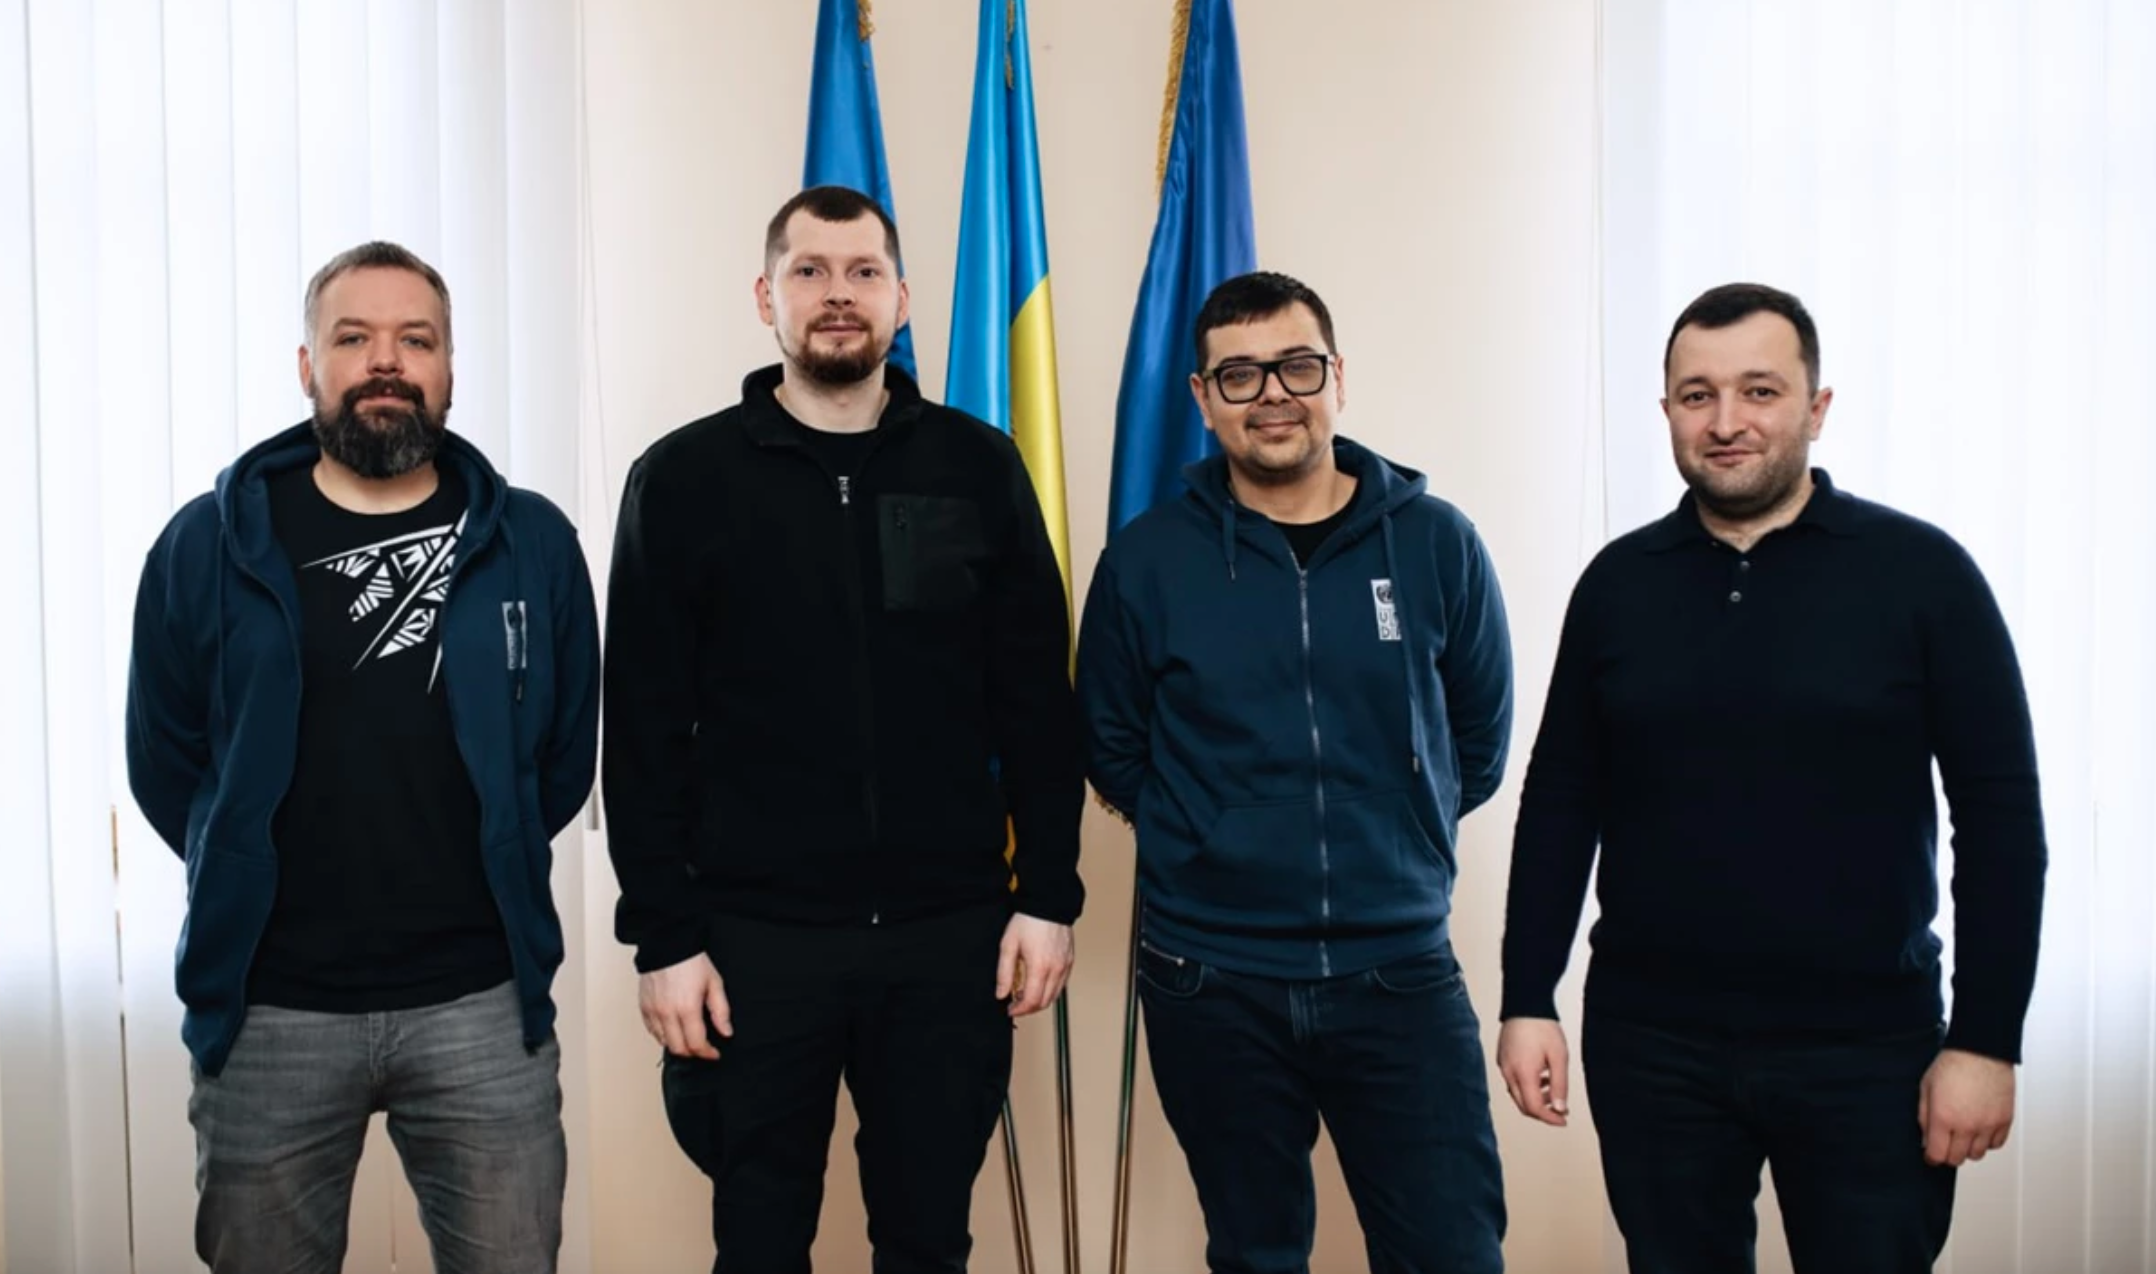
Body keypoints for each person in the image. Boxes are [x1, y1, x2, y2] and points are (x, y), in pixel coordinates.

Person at [1496, 282, 2047, 1274]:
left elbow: (2000, 818)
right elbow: (1561, 800)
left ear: (1815, 407)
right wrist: (1526, 994)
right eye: (1696, 394)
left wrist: (1985, 1039)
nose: (1725, 421)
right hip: (1652, 1044)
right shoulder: (1618, 584)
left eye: (1758, 390)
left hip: (1865, 1048)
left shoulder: (1922, 575)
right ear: (1667, 410)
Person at [602, 185, 1084, 1272]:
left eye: (863, 272)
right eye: (809, 271)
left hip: (946, 935)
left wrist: (1049, 893)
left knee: (928, 1241)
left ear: (901, 299)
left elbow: (1036, 704)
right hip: (751, 943)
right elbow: (638, 730)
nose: (837, 294)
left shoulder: (977, 465)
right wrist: (664, 936)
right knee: (758, 1244)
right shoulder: (681, 480)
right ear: (765, 296)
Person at [126, 240, 600, 1274]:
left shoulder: (530, 542)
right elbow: (166, 763)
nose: (386, 360)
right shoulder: (205, 545)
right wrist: (235, 854)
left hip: (482, 1000)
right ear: (309, 365)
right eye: (354, 337)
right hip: (271, 1005)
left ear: (449, 367)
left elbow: (562, 755)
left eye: (414, 339)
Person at [1077, 270, 1514, 1274]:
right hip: (1210, 977)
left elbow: (1477, 742)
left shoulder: (1436, 541)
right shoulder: (1146, 561)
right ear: (1202, 398)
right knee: (1256, 1254)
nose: (1271, 393)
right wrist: (1208, 832)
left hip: (1398, 970)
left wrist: (1394, 828)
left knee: (1451, 1253)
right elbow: (1111, 743)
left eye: (1296, 366)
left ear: (1337, 377)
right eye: (1239, 374)